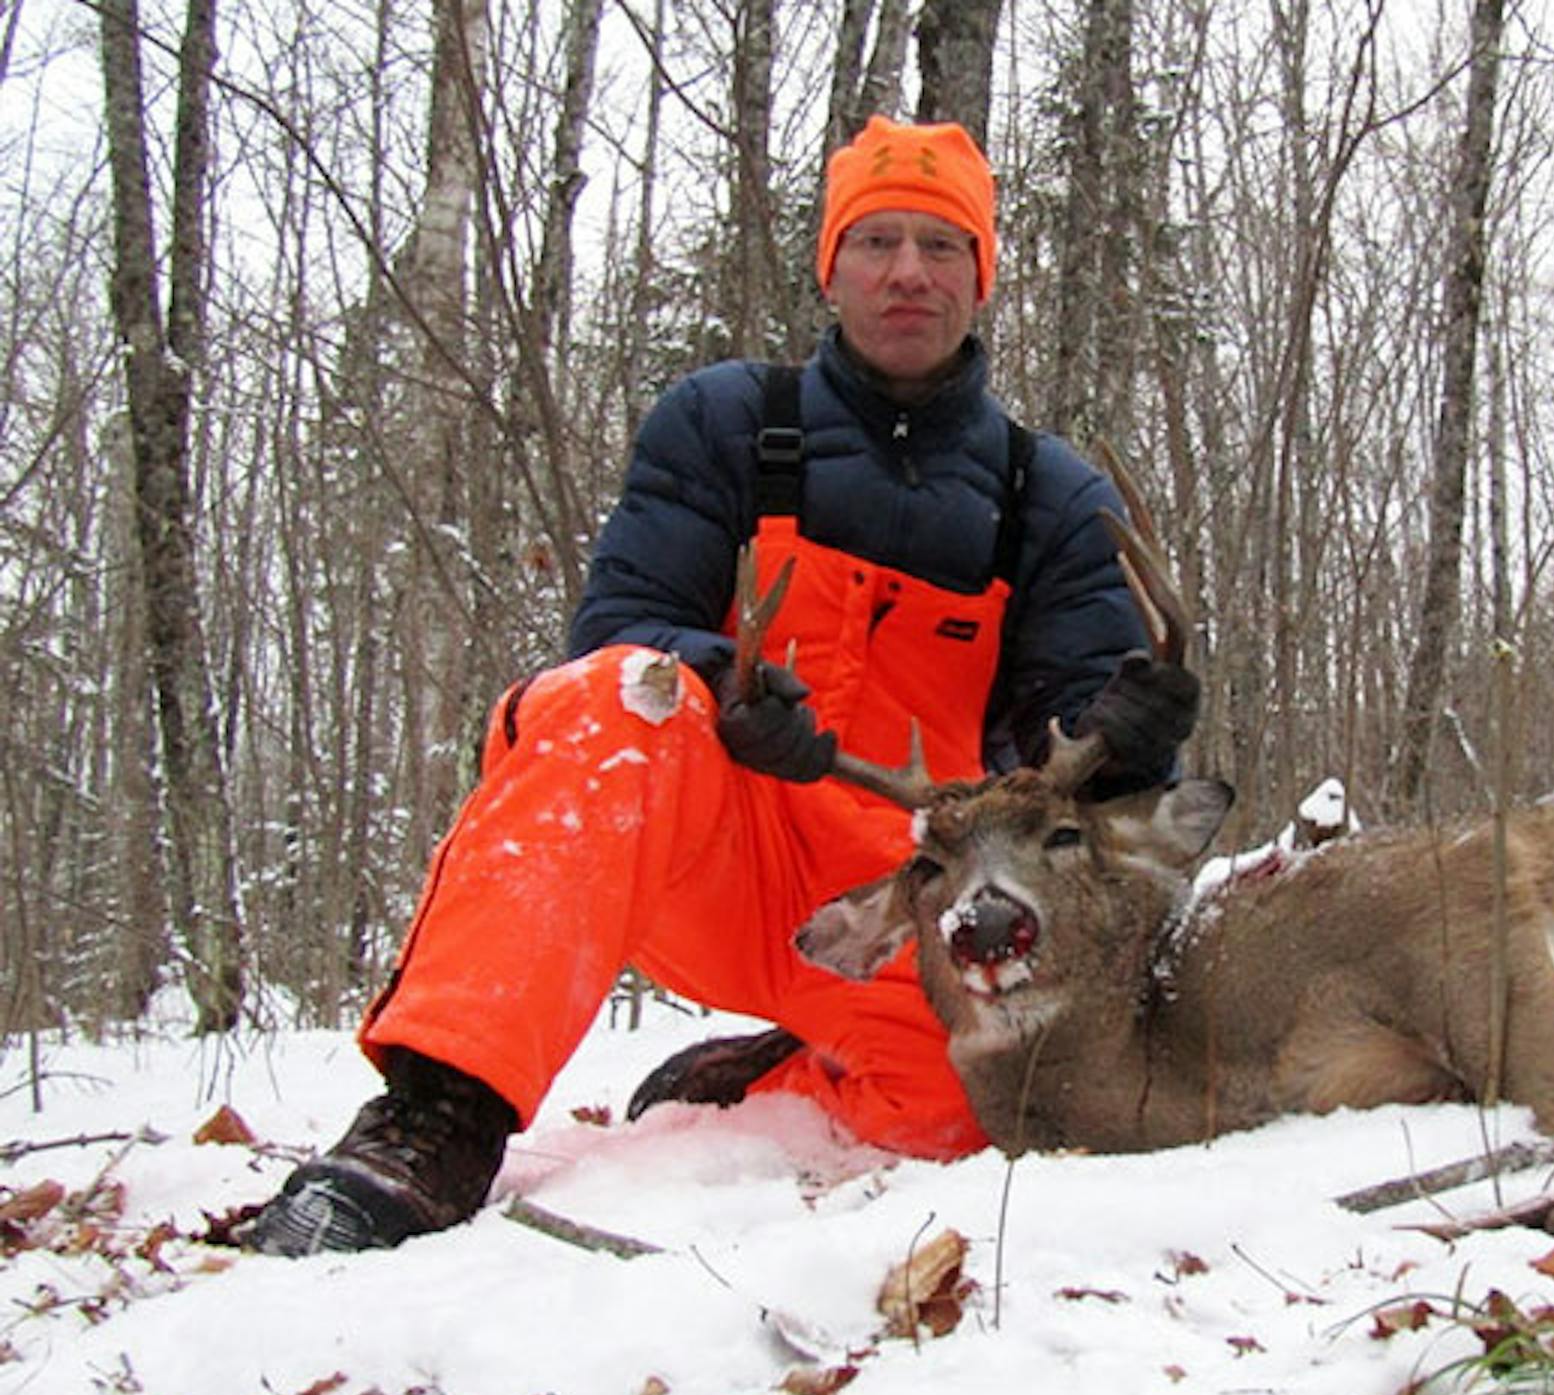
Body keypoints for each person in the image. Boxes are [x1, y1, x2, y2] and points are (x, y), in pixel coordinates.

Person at [242, 116, 1199, 1256]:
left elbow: (1078, 750)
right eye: (877, 241)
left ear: (981, 276)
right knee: (608, 702)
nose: (908, 273)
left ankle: (789, 1071)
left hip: (906, 898)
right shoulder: (730, 423)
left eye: (942, 247)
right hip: (722, 848)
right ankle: (435, 1117)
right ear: (830, 265)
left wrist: (1137, 740)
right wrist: (726, 689)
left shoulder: (1046, 495)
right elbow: (620, 628)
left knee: (978, 1096)